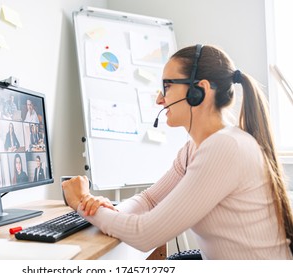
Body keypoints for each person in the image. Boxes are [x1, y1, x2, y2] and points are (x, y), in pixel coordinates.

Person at [62, 44, 293, 260]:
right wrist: (106, 209)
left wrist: (82, 202)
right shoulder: (195, 148)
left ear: (199, 90)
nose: (159, 99)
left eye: (168, 86)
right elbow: (149, 199)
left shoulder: (225, 147)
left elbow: (145, 235)